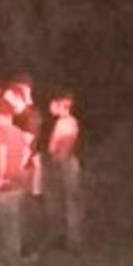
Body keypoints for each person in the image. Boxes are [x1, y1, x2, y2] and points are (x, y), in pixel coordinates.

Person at [0, 102, 31, 266]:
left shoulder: (2, 133)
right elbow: (27, 152)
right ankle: (16, 258)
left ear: (2, 117)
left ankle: (11, 262)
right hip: (19, 180)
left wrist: (0, 178)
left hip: (7, 182)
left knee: (4, 222)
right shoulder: (19, 132)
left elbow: (2, 157)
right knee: (14, 222)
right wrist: (19, 167)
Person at [45, 93, 83, 251]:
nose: (50, 107)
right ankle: (66, 237)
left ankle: (72, 240)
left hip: (64, 165)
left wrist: (58, 162)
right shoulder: (63, 122)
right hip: (63, 164)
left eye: (53, 103)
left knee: (69, 201)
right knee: (64, 201)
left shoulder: (67, 123)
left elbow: (65, 147)